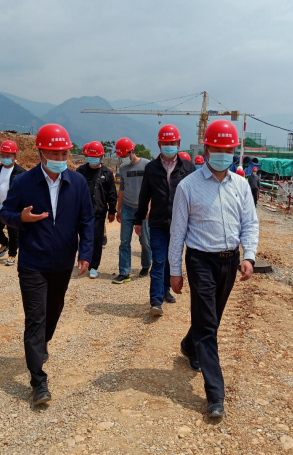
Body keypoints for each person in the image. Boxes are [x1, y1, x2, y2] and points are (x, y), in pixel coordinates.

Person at [168, 119, 259, 418]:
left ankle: (189, 345)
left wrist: (249, 256)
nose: (223, 154)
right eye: (218, 149)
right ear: (206, 149)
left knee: (212, 318)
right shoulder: (188, 186)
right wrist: (175, 270)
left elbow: (250, 223)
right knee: (208, 325)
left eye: (228, 149)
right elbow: (177, 232)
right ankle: (215, 394)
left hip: (229, 261)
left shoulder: (241, 185)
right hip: (200, 261)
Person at [0, 124, 94, 405]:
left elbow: (87, 220)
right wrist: (21, 219)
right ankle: (38, 381)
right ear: (41, 152)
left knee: (53, 312)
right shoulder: (24, 182)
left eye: (64, 153)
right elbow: (5, 212)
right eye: (54, 153)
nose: (60, 158)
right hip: (33, 263)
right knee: (35, 318)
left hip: (63, 262)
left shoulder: (77, 183)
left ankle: (42, 344)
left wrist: (85, 253)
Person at [134, 125, 194, 316]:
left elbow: (195, 197)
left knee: (172, 259)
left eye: (172, 142)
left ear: (178, 143)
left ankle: (166, 289)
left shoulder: (188, 168)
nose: (169, 146)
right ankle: (155, 300)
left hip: (179, 224)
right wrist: (138, 219)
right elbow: (144, 195)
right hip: (158, 223)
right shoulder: (151, 168)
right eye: (165, 143)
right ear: (159, 144)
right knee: (158, 260)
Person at [113, 137, 151, 284]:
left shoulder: (147, 165)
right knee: (124, 241)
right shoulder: (122, 169)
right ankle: (124, 272)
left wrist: (149, 207)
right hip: (127, 209)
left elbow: (152, 189)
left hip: (143, 208)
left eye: (124, 155)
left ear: (132, 152)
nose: (122, 158)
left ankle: (146, 265)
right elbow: (121, 190)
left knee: (145, 242)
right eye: (120, 156)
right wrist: (119, 209)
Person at [76, 141, 117, 279]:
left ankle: (94, 266)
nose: (93, 159)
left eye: (96, 156)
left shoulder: (107, 173)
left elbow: (112, 193)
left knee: (97, 239)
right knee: (83, 237)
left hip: (99, 211)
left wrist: (112, 211)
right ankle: (83, 260)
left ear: (101, 156)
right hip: (82, 211)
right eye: (90, 156)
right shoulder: (81, 171)